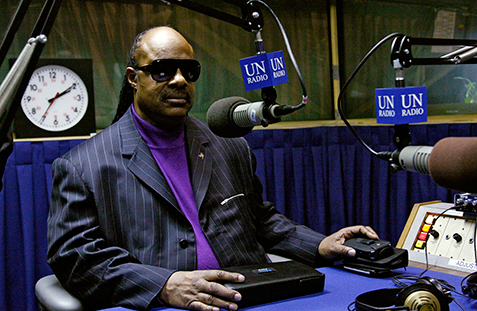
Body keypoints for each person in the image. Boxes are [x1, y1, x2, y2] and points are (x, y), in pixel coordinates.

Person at [47, 26, 378, 311]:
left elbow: (260, 220)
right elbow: (75, 257)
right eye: (163, 70)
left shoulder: (229, 144)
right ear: (134, 78)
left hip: (255, 297)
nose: (179, 80)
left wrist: (319, 245)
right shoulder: (83, 166)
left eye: (189, 70)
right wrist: (165, 284)